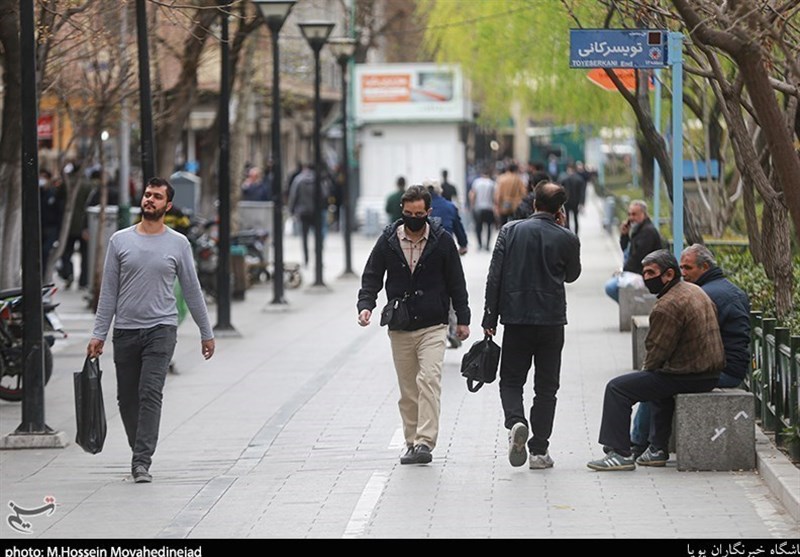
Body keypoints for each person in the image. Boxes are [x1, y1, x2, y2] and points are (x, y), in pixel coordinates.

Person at [86, 177, 215, 484]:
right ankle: (139, 447)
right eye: (147, 195)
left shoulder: (178, 244)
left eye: (157, 196)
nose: (149, 200)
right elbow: (109, 292)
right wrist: (99, 333)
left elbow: (192, 289)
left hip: (161, 329)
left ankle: (141, 460)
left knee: (150, 392)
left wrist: (206, 332)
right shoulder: (120, 241)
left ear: (167, 205)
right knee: (126, 399)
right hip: (126, 330)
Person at [357, 185, 471, 465]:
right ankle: (411, 441)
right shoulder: (388, 240)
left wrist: (463, 319)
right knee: (408, 390)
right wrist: (366, 305)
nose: (414, 218)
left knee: (429, 380)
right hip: (401, 325)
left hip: (433, 324)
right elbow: (372, 275)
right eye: (409, 213)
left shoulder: (442, 241)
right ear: (402, 211)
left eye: (419, 214)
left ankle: (424, 442)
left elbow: (457, 282)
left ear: (428, 212)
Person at [587, 249, 725, 471]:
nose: (646, 278)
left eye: (651, 273)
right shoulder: (695, 290)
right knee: (660, 383)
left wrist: (645, 374)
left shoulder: (667, 305)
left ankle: (620, 453)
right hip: (709, 374)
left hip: (689, 375)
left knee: (617, 389)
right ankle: (657, 449)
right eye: (644, 273)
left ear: (668, 274)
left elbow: (656, 351)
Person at [482, 181, 581, 469]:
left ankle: (516, 421)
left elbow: (495, 277)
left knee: (511, 380)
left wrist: (490, 318)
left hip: (516, 320)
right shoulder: (567, 237)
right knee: (546, 388)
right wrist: (563, 231)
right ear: (560, 209)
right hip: (551, 321)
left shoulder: (510, 231)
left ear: (534, 202)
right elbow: (572, 275)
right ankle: (539, 451)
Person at [629, 243, 752, 455]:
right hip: (730, 367)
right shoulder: (727, 289)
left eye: (688, 268)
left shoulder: (702, 295)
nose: (683, 273)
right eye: (681, 268)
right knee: (659, 378)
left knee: (653, 383)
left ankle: (637, 443)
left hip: (721, 371)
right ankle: (652, 444)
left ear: (705, 267)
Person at [426, 178, 468, 349]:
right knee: (450, 292)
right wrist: (463, 245)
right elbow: (459, 228)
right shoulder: (450, 206)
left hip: (424, 258)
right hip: (447, 256)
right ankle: (452, 330)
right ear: (440, 191)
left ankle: (431, 331)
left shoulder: (420, 208)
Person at [604, 200, 664, 303]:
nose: (631, 218)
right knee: (614, 285)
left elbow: (638, 258)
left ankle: (630, 305)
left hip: (644, 274)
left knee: (611, 287)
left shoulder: (647, 232)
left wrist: (623, 270)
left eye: (634, 214)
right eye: (629, 214)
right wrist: (624, 235)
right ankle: (629, 305)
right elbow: (626, 250)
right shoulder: (638, 229)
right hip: (636, 271)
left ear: (644, 214)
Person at [59, 170, 96, 290]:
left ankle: (67, 273)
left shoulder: (66, 184)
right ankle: (83, 281)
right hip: (84, 225)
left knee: (66, 252)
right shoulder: (89, 186)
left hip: (68, 225)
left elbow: (59, 202)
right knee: (85, 254)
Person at [288, 164, 318, 267]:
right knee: (318, 237)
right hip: (315, 212)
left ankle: (306, 259)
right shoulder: (316, 180)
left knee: (304, 238)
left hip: (303, 212)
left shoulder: (298, 180)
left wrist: (291, 210)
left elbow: (293, 196)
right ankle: (318, 258)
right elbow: (324, 194)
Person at [39, 169, 64, 281]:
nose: (42, 180)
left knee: (46, 251)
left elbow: (59, 212)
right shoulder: (39, 193)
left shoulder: (54, 194)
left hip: (52, 228)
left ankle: (46, 275)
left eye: (44, 177)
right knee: (40, 253)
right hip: (41, 228)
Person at [468, 166, 496, 251]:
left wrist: (472, 206)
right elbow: (494, 196)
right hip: (489, 207)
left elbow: (473, 195)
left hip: (478, 207)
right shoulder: (491, 183)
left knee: (478, 227)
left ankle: (480, 244)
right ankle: (487, 245)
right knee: (489, 227)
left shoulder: (476, 182)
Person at [494, 162, 527, 226]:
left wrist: (497, 205)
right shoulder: (518, 179)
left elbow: (498, 193)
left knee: (503, 224)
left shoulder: (501, 178)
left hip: (503, 204)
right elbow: (524, 192)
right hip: (515, 205)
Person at [558, 163, 586, 235]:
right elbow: (582, 192)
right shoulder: (579, 179)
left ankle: (568, 233)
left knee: (567, 218)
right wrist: (582, 202)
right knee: (576, 218)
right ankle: (576, 233)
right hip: (576, 201)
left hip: (566, 201)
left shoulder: (563, 178)